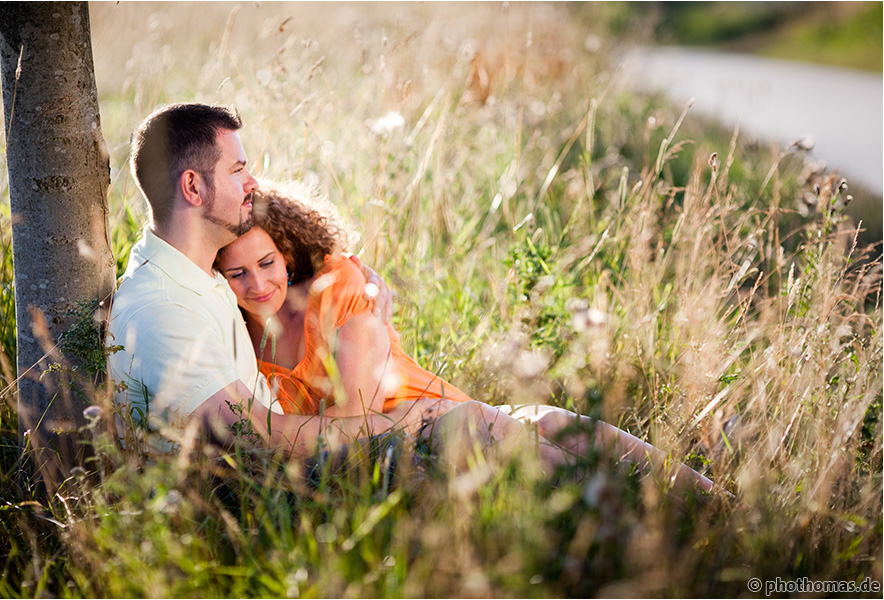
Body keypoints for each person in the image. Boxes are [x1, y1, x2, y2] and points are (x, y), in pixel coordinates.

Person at [215, 182, 720, 494]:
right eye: (238, 274)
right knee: (537, 427)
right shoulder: (233, 329)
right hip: (415, 436)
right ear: (218, 276)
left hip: (429, 418)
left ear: (288, 251)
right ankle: (674, 513)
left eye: (267, 263)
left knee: (554, 423)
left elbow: (359, 417)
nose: (258, 284)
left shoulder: (338, 288)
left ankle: (705, 505)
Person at [107, 103, 452, 459]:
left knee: (480, 424)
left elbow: (277, 261)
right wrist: (402, 422)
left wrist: (354, 273)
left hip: (300, 455)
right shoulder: (163, 308)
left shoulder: (197, 273)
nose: (252, 183)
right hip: (265, 483)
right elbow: (251, 434)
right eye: (238, 170)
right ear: (193, 187)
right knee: (464, 425)